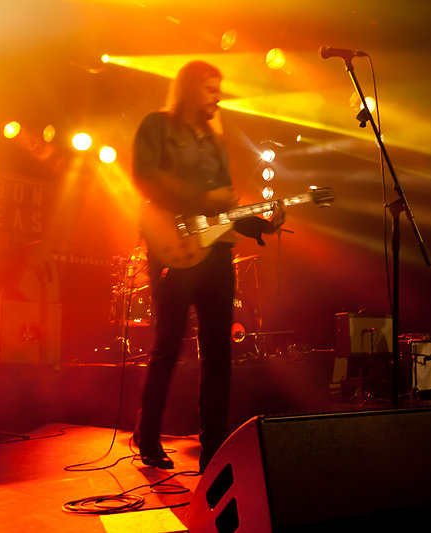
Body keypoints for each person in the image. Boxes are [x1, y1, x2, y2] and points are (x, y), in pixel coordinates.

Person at [132, 60, 285, 472]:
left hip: (216, 253)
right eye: (210, 88)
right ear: (188, 89)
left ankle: (214, 445)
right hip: (173, 247)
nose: (218, 97)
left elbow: (224, 210)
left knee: (218, 350)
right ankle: (147, 435)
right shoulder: (157, 126)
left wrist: (260, 224)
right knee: (168, 344)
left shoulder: (215, 143)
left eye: (219, 88)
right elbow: (145, 176)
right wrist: (203, 197)